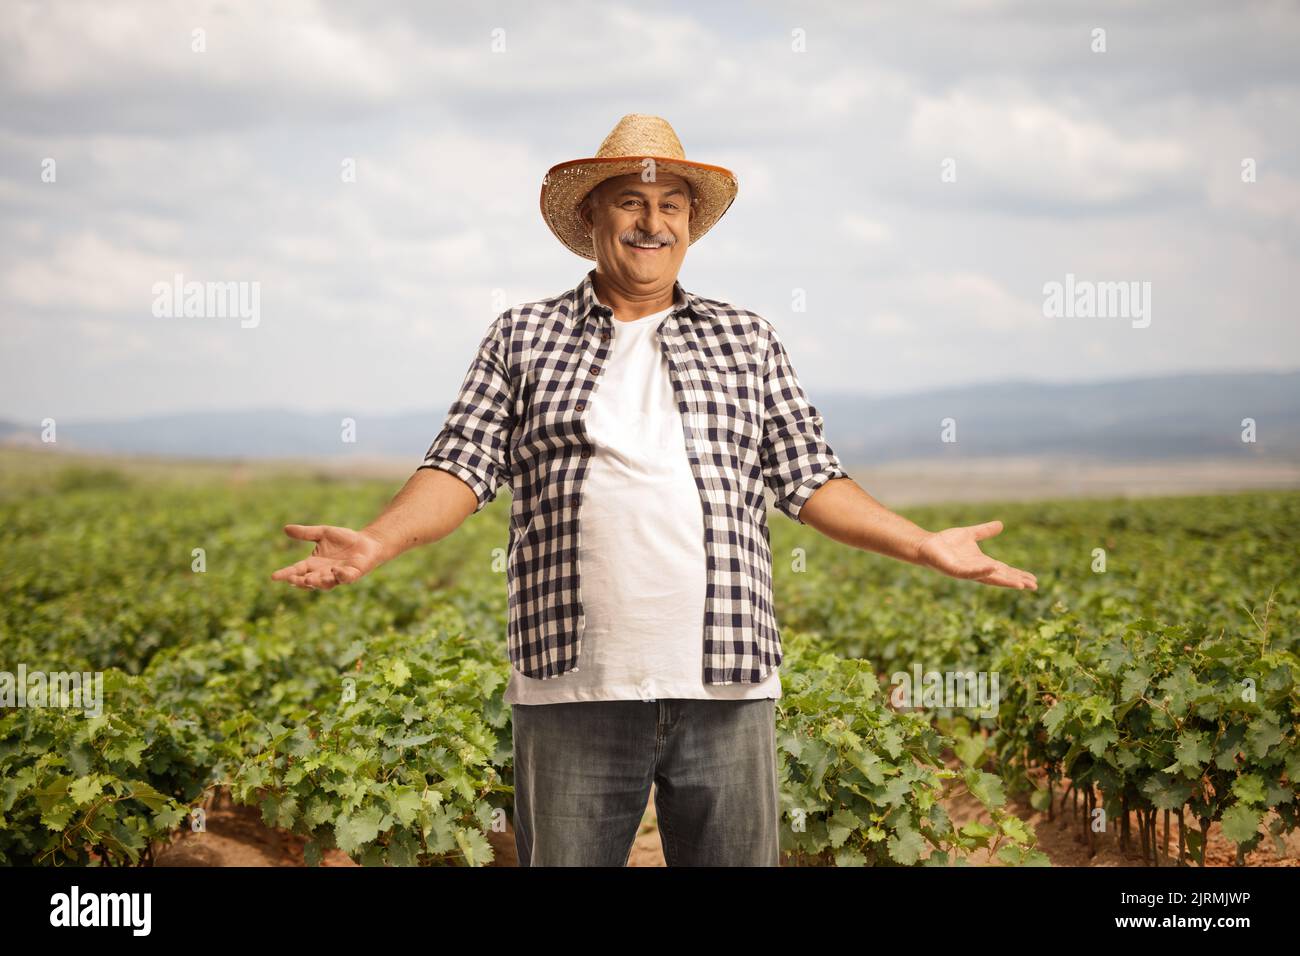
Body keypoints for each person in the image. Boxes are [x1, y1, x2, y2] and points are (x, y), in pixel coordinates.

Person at [271, 113, 1037, 866]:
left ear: (690, 224)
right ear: (593, 215)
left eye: (671, 204)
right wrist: (377, 539)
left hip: (727, 684)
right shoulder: (524, 336)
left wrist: (923, 543)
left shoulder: (747, 338)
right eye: (632, 201)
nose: (652, 221)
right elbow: (460, 467)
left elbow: (810, 478)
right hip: (571, 688)